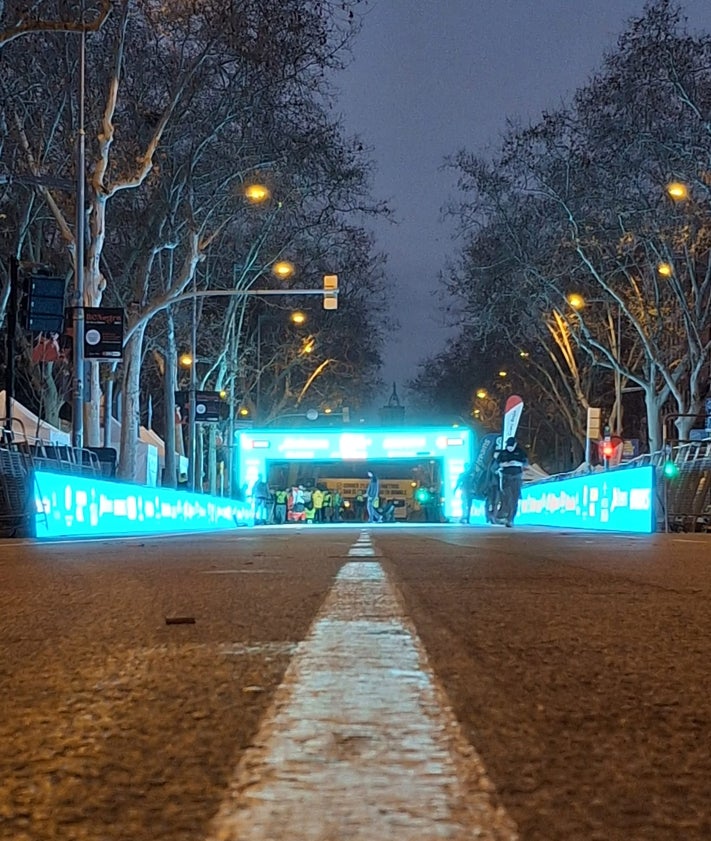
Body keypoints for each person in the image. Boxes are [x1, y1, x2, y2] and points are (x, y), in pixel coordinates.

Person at [494, 436, 528, 527]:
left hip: (516, 477)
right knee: (506, 497)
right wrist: (503, 465)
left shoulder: (520, 452)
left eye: (511, 446)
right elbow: (497, 464)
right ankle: (503, 515)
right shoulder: (503, 453)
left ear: (515, 445)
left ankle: (510, 518)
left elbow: (526, 463)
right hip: (505, 477)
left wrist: (518, 463)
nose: (509, 447)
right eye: (508, 445)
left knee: (514, 499)